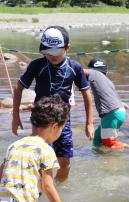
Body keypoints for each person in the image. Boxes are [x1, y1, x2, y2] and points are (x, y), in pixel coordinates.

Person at [11, 25, 94, 183]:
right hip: (40, 120)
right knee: (39, 159)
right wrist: (15, 117)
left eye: (56, 52)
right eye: (48, 52)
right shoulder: (37, 66)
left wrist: (89, 123)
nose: (52, 56)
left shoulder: (74, 68)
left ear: (67, 47)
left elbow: (87, 94)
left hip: (63, 121)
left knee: (65, 162)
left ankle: (56, 189)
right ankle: (38, 187)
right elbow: (19, 87)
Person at [0, 95, 76, 202]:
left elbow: (1, 175)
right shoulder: (46, 150)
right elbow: (47, 186)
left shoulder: (14, 145)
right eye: (61, 129)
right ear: (54, 126)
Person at [85, 58, 129, 149]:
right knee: (97, 139)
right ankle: (99, 156)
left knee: (109, 143)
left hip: (111, 113)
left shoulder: (95, 73)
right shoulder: (107, 81)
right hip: (116, 112)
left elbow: (80, 70)